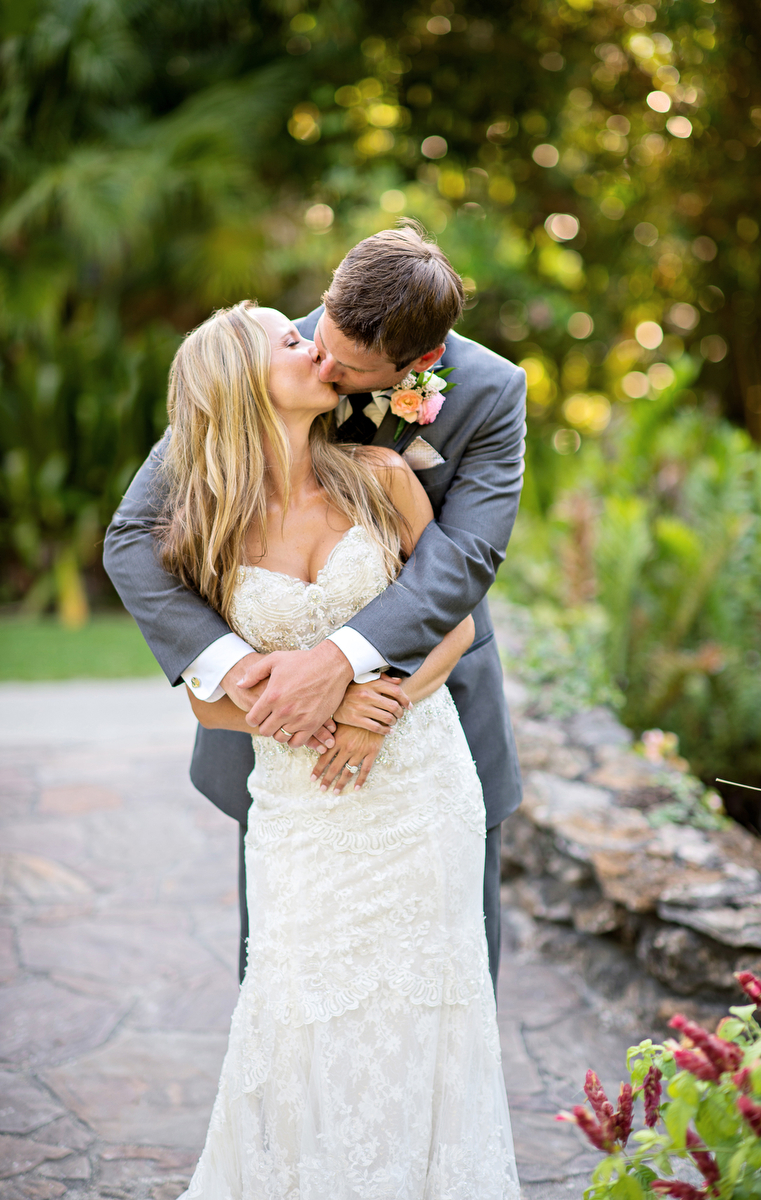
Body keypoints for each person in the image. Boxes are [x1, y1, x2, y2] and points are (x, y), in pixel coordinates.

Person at [155, 300, 520, 1197]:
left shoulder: (378, 473)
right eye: (291, 340)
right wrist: (318, 718)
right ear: (243, 383)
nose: (314, 346)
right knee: (296, 1012)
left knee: (428, 1009)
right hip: (300, 805)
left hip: (417, 784)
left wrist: (372, 707)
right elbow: (210, 707)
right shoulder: (203, 522)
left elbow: (454, 616)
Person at [103, 223, 525, 988]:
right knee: (287, 988)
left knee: (448, 983)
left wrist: (346, 670)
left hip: (431, 714)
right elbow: (134, 534)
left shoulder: (491, 393)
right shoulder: (257, 358)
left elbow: (461, 560)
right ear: (328, 294)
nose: (322, 364)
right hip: (278, 747)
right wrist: (240, 671)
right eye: (316, 339)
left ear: (420, 363)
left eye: (348, 368)